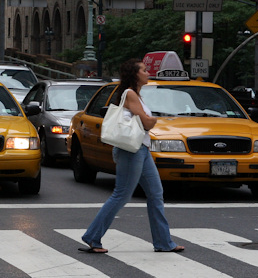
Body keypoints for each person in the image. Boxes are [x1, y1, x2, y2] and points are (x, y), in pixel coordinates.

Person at [79, 58, 185, 254]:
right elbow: (146, 123)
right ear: (135, 74)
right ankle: (93, 237)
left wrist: (150, 120)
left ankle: (163, 242)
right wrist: (153, 120)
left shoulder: (136, 95)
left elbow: (143, 121)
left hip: (141, 150)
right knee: (122, 194)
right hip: (131, 151)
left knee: (155, 193)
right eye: (144, 70)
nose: (147, 72)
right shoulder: (130, 94)